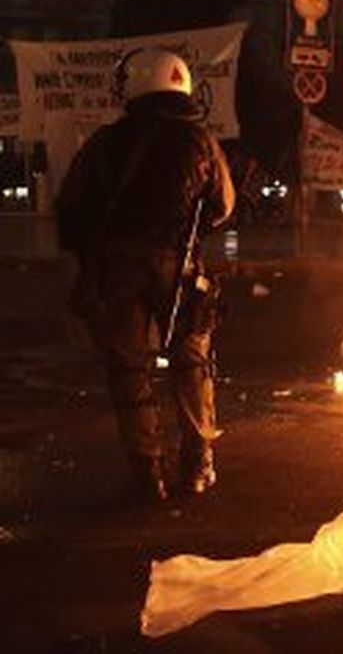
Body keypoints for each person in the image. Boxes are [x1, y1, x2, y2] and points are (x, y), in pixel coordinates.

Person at [56, 48, 234, 503]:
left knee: (128, 366)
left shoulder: (106, 142)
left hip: (118, 266)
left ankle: (146, 471)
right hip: (181, 263)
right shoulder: (201, 142)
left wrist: (89, 255)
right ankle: (197, 465)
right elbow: (223, 207)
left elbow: (72, 204)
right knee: (191, 361)